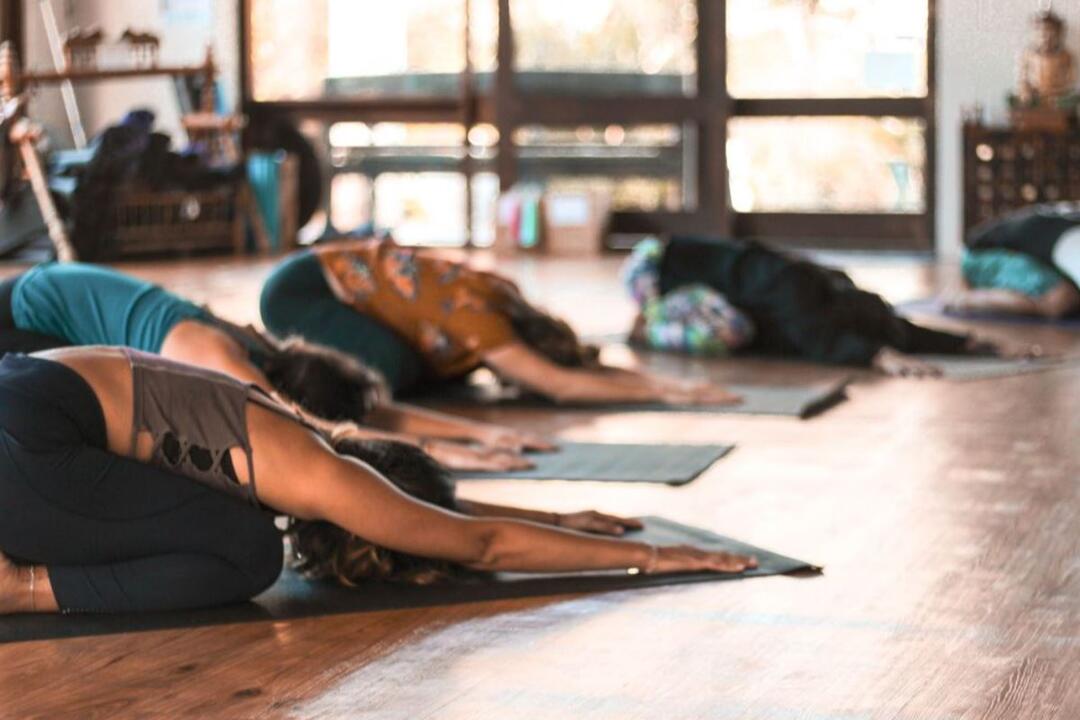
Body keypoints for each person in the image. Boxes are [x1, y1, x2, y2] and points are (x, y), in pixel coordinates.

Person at [0, 346, 755, 614]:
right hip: (24, 453)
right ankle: (19, 588)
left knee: (208, 521)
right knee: (246, 552)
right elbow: (479, 544)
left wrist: (570, 517)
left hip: (26, 411)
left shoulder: (282, 428)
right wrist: (654, 560)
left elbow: (455, 512)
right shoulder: (318, 472)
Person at [0, 262, 553, 471]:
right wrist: (442, 454)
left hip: (46, 305)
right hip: (17, 316)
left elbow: (373, 412)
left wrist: (482, 431)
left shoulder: (260, 346)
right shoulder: (216, 355)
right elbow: (310, 433)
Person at [260, 237, 740, 405]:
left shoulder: (509, 300)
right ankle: (266, 362)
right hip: (300, 293)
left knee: (421, 368)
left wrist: (667, 386)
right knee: (389, 374)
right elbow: (563, 385)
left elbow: (573, 372)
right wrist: (667, 391)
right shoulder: (486, 327)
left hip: (313, 274)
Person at [621, 236, 1010, 378]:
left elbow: (901, 331)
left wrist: (967, 343)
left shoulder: (835, 298)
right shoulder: (805, 297)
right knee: (734, 330)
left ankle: (646, 326)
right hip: (660, 268)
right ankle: (644, 328)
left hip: (689, 268)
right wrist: (876, 355)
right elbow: (810, 333)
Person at [945, 203, 1080, 320]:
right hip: (980, 255)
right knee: (1060, 299)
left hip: (1037, 248)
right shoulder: (1072, 245)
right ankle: (964, 299)